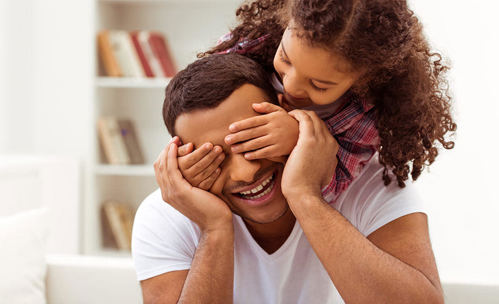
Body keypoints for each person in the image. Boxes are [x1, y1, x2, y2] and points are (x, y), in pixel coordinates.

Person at [132, 53, 444, 303]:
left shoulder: (373, 184)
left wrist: (305, 196)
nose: (246, 172)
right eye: (215, 158)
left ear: (287, 113)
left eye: (253, 141)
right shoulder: (166, 214)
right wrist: (214, 230)